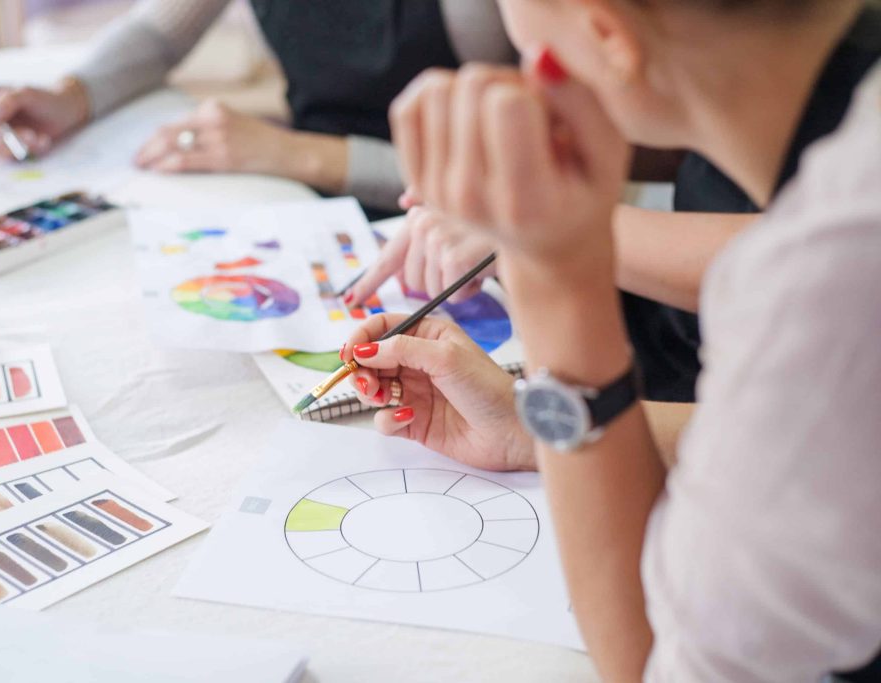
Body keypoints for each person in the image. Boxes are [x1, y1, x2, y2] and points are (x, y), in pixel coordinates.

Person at [341, 0, 881, 680]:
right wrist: (529, 425)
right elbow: (831, 447)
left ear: (605, 33)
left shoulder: (822, 281)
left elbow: (656, 663)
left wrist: (554, 267)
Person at [348, 2, 880, 402]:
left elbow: (821, 266)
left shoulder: (838, 255)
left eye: (533, 56)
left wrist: (553, 236)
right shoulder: (785, 87)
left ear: (609, 35)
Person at [0, 0, 514, 216]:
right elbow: (158, 35)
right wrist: (70, 97)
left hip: (459, 224)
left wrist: (291, 151)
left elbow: (513, 175)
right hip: (309, 198)